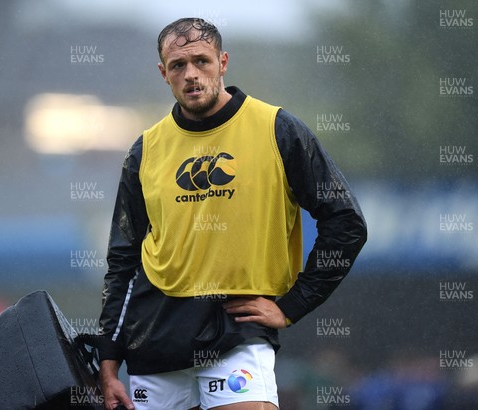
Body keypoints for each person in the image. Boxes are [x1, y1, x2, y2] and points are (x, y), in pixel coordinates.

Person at [97, 17, 367, 410]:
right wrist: (109, 360)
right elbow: (123, 259)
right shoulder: (145, 150)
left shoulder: (279, 130)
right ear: (163, 73)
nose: (191, 74)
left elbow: (346, 222)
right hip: (154, 339)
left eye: (201, 61)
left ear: (223, 62)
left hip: (238, 332)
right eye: (178, 65)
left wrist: (293, 304)